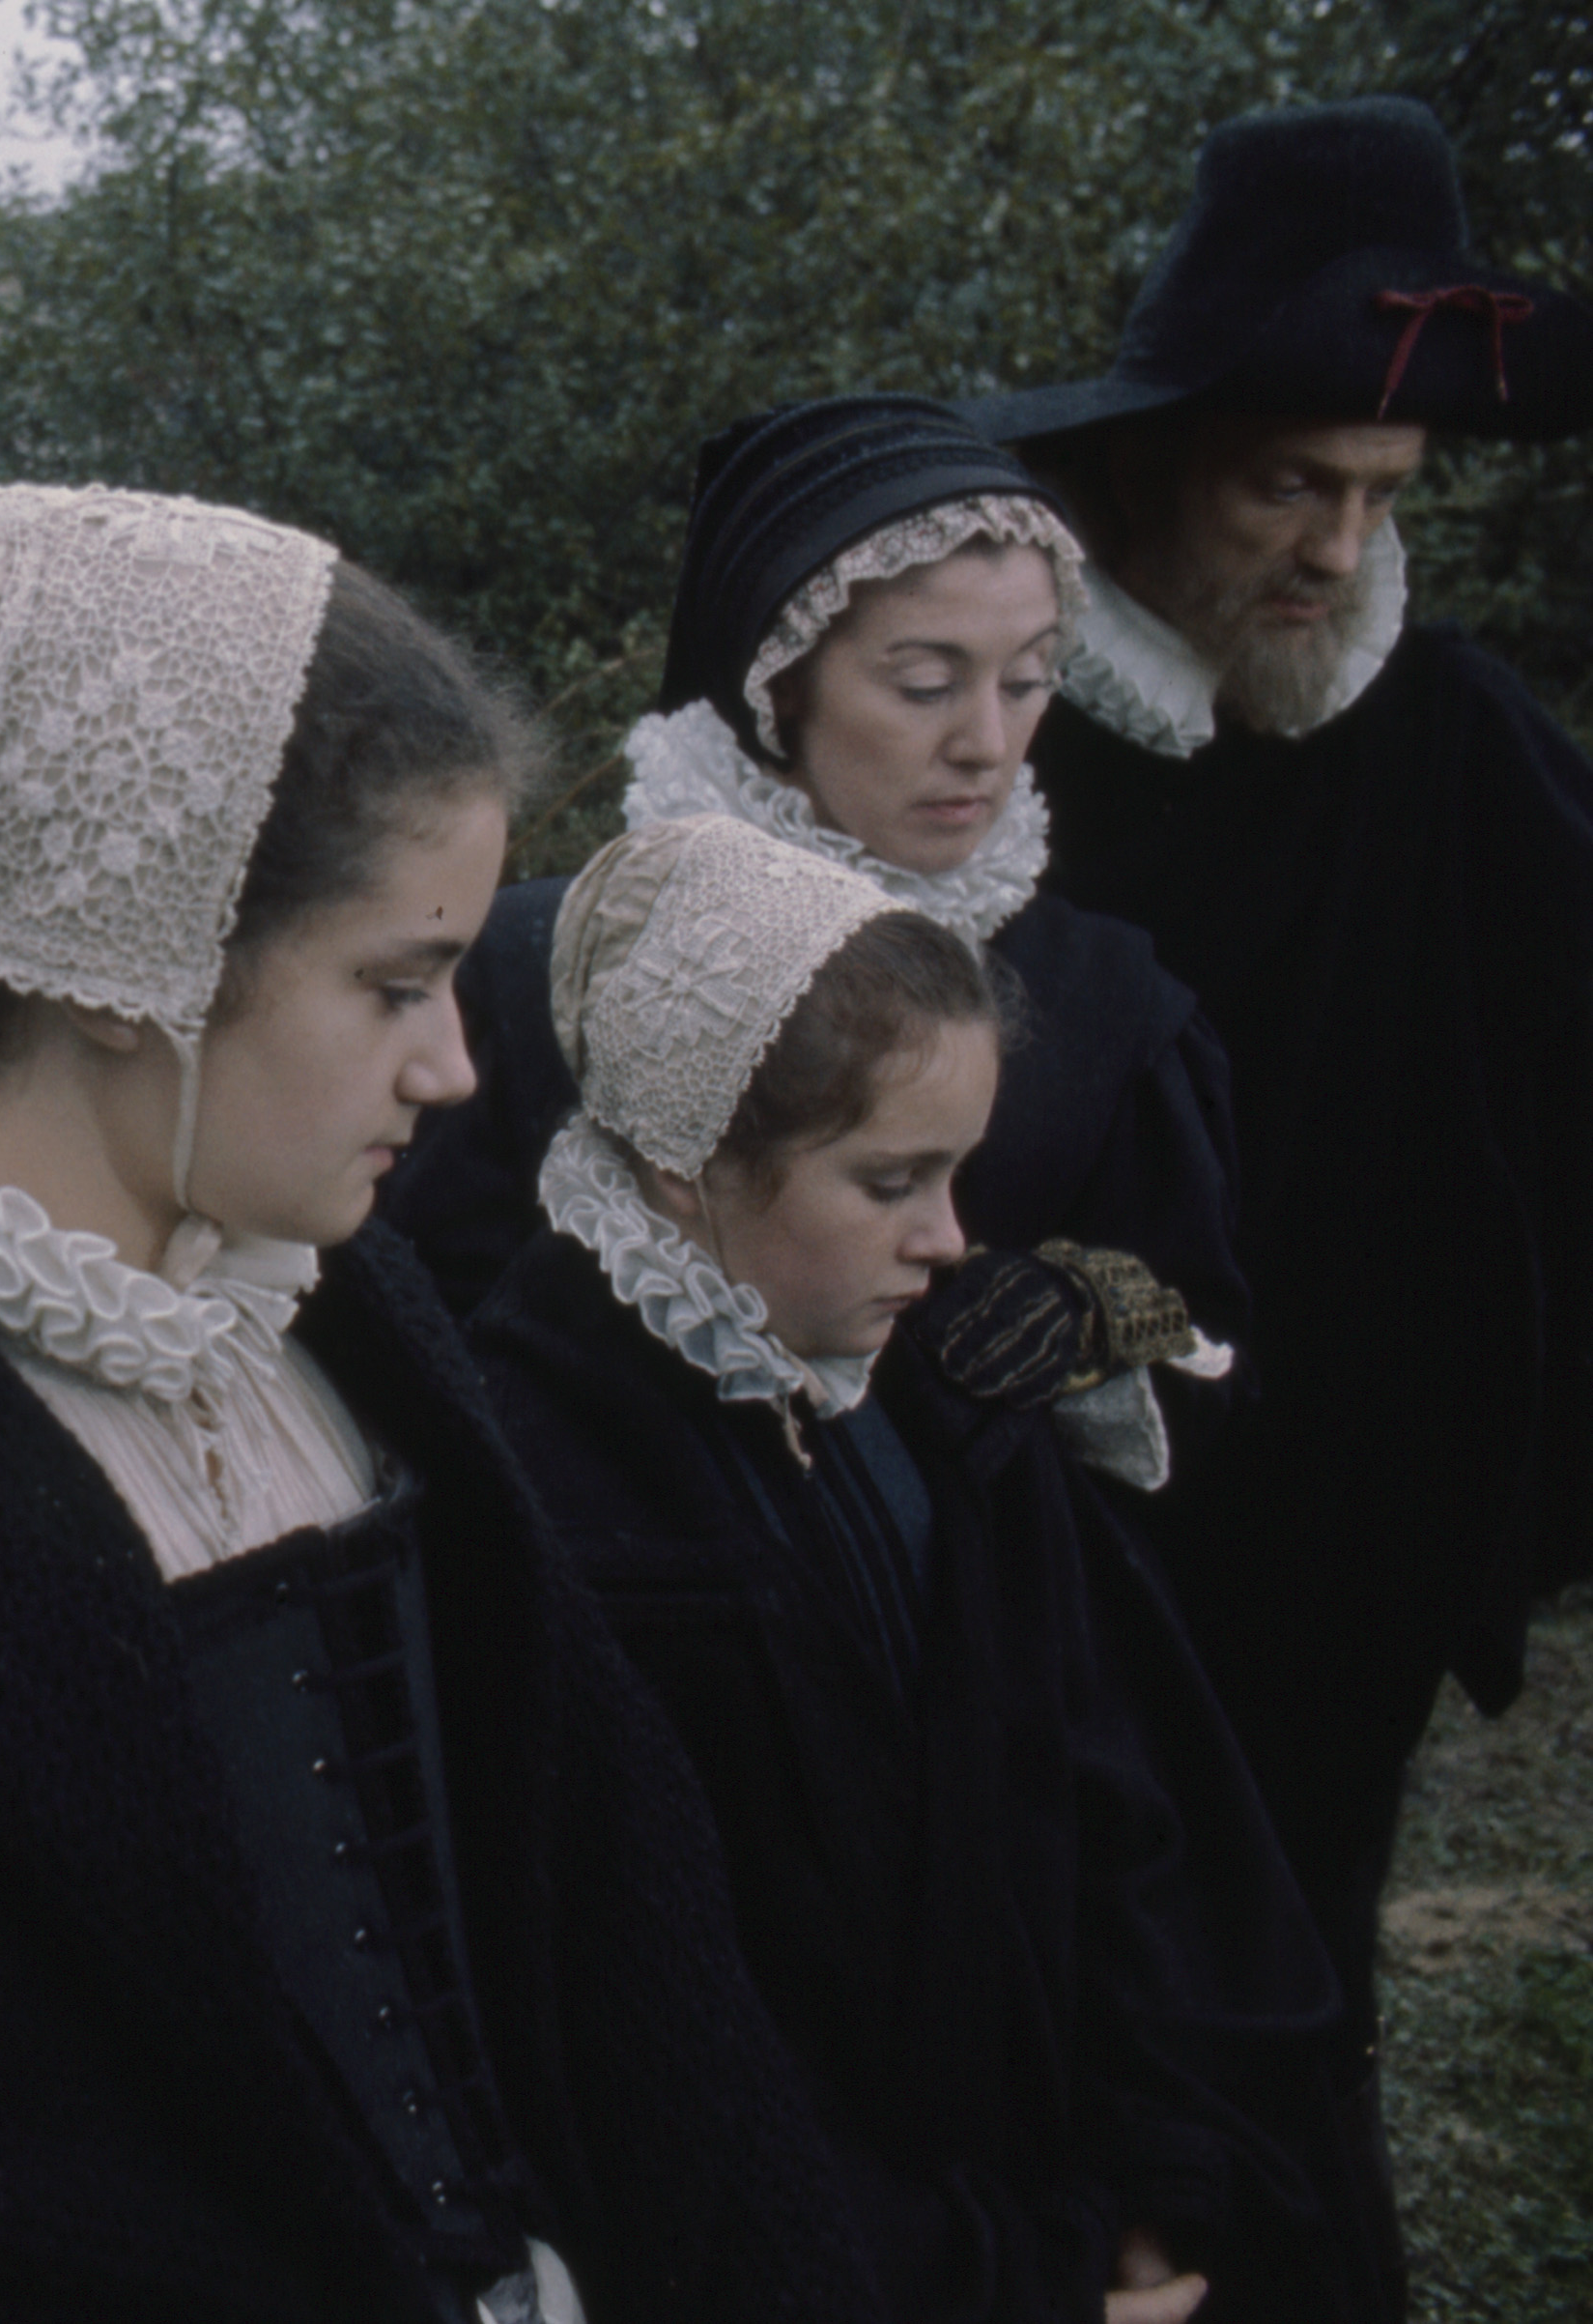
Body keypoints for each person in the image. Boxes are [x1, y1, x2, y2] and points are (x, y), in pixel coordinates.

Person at [0, 486, 886, 2322]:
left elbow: (629, 1928)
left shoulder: (354, 1324)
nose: (453, 1066)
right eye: (393, 984)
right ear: (129, 966)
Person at [959, 95, 1593, 2296]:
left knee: (1283, 2032)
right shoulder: (987, 741)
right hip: (1039, 1503)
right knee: (1041, 2018)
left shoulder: (1452, 741)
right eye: (1284, 484)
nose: (1334, 547)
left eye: (1377, 492)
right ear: (1149, 466)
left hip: (1339, 1542)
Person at [462, 815, 1368, 2324]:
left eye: (957, 1174)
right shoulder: (559, 1496)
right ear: (682, 1165)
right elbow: (662, 2056)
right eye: (890, 1182)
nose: (950, 1240)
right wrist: (1003, 2288)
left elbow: (1102, 1806)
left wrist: (1152, 2179)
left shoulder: (923, 1401)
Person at [391, 397, 1245, 1489]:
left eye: (1028, 679)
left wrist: (1088, 1322)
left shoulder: (1109, 1004)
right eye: (925, 684)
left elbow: (1213, 1400)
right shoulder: (537, 962)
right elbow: (414, 1350)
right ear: (780, 679)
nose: (986, 742)